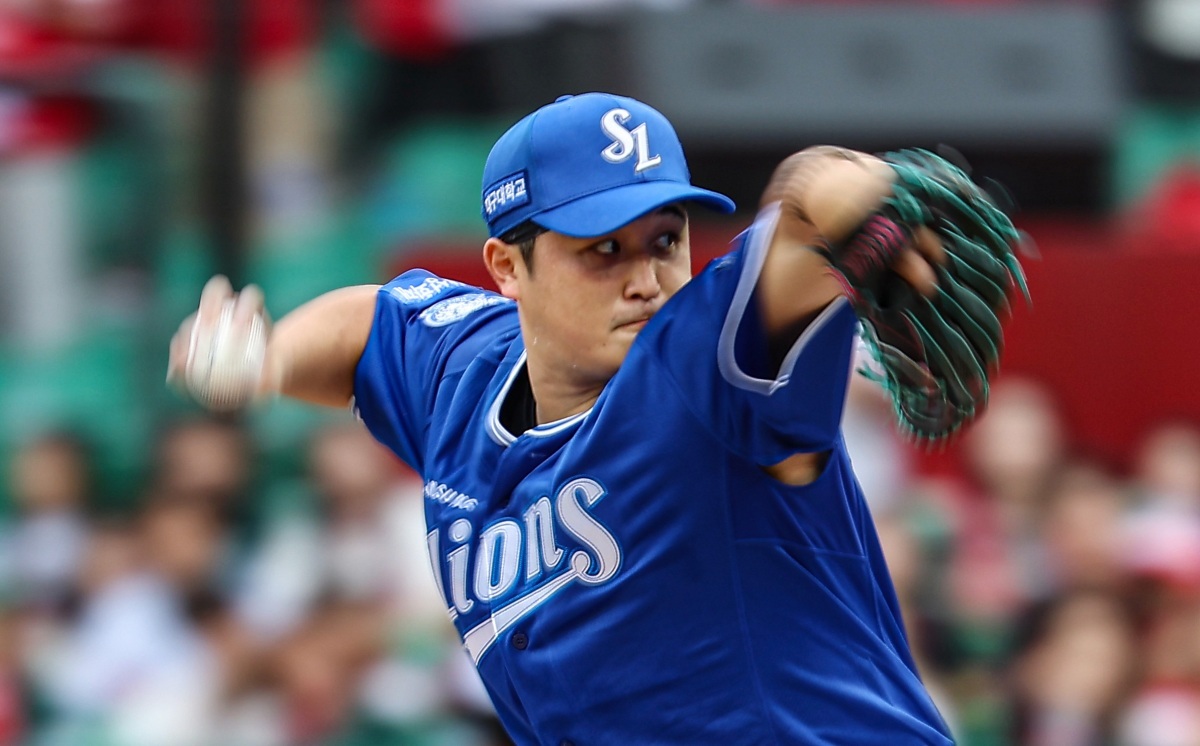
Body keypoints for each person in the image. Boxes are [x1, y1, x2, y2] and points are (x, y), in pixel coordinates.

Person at [169, 92, 953, 744]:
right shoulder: (468, 372)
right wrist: (267, 359)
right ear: (507, 267)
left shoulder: (704, 364)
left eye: (665, 241)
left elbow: (816, 209)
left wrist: (842, 189)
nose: (646, 280)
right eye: (603, 250)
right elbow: (370, 322)